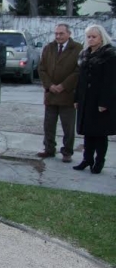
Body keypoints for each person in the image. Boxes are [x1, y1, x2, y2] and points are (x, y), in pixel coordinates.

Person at [73, 25, 116, 174]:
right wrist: (77, 98)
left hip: (100, 100)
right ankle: (87, 159)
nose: (90, 39)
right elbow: (81, 79)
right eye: (88, 37)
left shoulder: (109, 55)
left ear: (101, 38)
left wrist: (104, 102)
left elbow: (111, 81)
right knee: (88, 132)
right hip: (86, 99)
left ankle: (99, 161)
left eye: (94, 37)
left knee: (100, 133)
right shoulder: (85, 54)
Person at [37, 23, 82, 163]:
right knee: (49, 124)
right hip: (51, 94)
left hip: (67, 94)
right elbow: (41, 68)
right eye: (56, 33)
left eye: (61, 33)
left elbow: (78, 71)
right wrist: (50, 85)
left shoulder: (78, 49)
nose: (58, 36)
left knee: (68, 126)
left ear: (69, 33)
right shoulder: (49, 48)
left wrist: (63, 86)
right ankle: (49, 148)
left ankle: (67, 151)